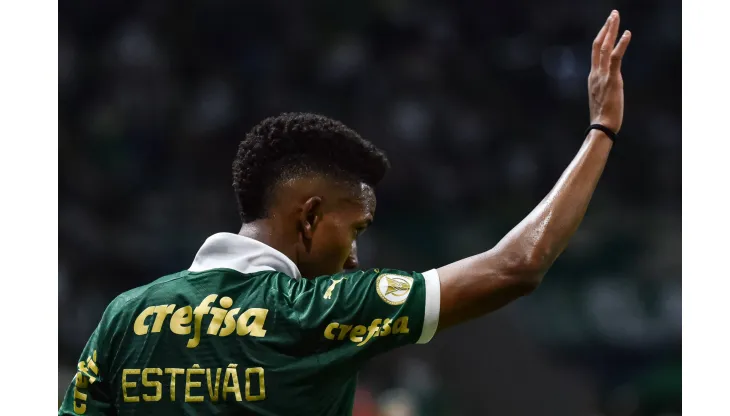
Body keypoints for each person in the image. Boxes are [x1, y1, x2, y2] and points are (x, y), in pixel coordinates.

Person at [59, 10, 631, 416]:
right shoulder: (317, 312)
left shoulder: (123, 317)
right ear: (308, 218)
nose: (356, 254)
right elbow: (516, 267)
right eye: (354, 229)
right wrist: (601, 131)